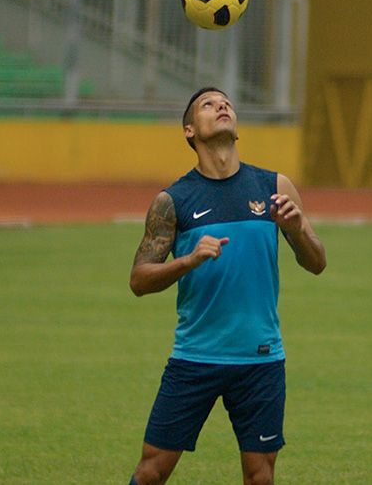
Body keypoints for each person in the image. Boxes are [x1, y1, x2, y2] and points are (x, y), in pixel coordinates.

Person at [127, 86, 326, 485]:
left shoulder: (275, 186)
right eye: (208, 104)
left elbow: (317, 262)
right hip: (195, 357)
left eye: (226, 103)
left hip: (261, 358)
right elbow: (139, 280)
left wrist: (297, 228)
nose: (222, 106)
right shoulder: (174, 200)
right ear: (189, 130)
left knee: (260, 476)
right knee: (152, 470)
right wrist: (189, 260)